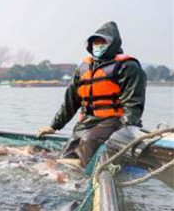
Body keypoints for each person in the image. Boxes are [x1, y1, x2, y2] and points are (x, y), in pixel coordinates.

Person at [37, 21, 146, 167]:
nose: (98, 45)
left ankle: (88, 177)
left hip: (116, 120)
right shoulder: (82, 69)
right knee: (68, 152)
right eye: (95, 42)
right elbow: (70, 101)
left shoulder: (128, 67)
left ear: (113, 44)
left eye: (103, 42)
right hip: (89, 121)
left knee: (88, 142)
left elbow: (133, 103)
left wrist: (125, 130)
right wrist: (54, 126)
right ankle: (68, 177)